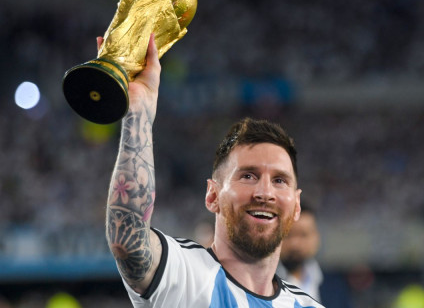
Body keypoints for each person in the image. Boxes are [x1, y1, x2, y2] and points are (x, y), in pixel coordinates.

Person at [102, 34, 323, 307]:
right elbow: (128, 240)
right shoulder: (183, 275)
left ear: (296, 205)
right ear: (212, 196)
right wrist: (139, 109)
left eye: (279, 180)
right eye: (248, 176)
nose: (265, 192)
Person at [277, 204, 323, 302]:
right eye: (287, 235)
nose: (295, 244)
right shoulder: (260, 285)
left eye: (303, 235)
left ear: (317, 237)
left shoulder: (336, 286)